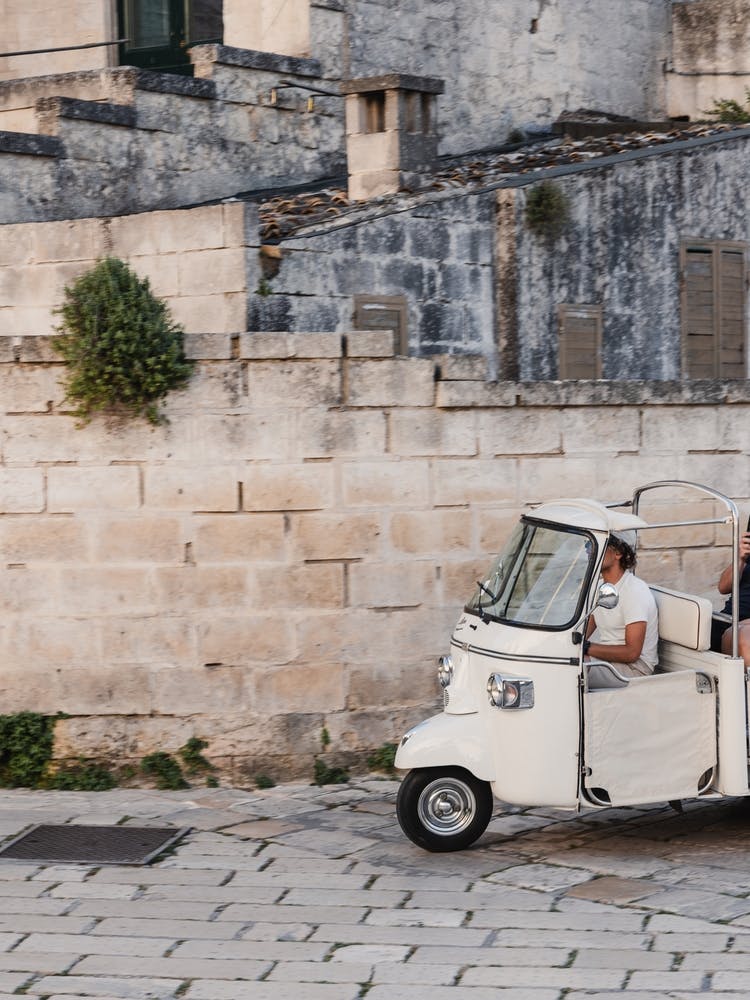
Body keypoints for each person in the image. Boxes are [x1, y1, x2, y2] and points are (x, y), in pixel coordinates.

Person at [584, 529, 659, 689]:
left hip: (634, 669)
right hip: (606, 661)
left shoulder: (634, 590)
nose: (589, 550)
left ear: (618, 553)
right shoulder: (599, 587)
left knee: (572, 668)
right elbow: (582, 631)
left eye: (597, 544)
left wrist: (587, 648)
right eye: (588, 544)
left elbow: (632, 653)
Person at [712, 529, 750, 662]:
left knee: (744, 637)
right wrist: (740, 558)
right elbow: (723, 587)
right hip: (727, 619)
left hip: (743, 629)